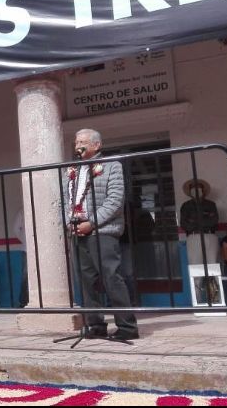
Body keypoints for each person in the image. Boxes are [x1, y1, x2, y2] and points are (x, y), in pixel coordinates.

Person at [64, 128, 138, 341]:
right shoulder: (70, 169)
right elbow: (63, 199)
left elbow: (115, 200)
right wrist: (69, 222)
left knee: (111, 277)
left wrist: (92, 223)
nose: (78, 145)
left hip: (103, 231)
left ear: (97, 145)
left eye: (83, 142)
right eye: (76, 142)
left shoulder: (111, 166)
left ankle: (127, 326)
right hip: (77, 230)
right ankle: (95, 325)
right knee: (85, 280)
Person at [179, 179, 220, 265]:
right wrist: (205, 218)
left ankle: (213, 279)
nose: (196, 191)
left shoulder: (211, 204)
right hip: (193, 237)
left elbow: (214, 221)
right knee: (196, 266)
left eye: (198, 188)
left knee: (213, 265)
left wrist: (194, 220)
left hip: (210, 236)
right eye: (193, 189)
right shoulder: (186, 206)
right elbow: (184, 224)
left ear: (203, 190)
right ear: (190, 191)